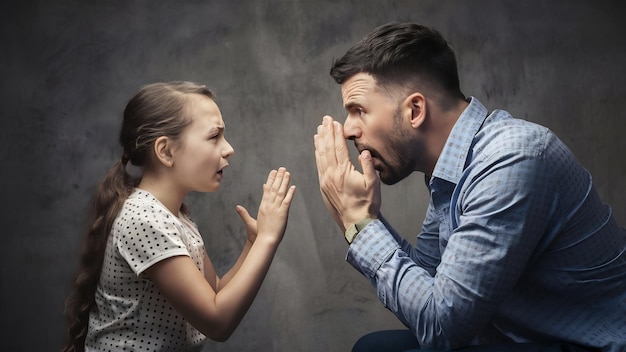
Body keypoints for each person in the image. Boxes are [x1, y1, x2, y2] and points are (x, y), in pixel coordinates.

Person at [314, 22, 626, 352]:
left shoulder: (511, 160)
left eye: (358, 110)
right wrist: (363, 219)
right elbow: (431, 285)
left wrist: (359, 225)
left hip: (584, 344)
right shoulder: (451, 167)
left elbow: (441, 328)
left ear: (415, 110)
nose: (347, 129)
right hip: (516, 334)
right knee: (373, 347)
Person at [62, 81, 296, 352]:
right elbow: (218, 321)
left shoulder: (174, 217)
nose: (228, 148)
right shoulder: (143, 219)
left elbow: (215, 293)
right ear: (166, 151)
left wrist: (253, 244)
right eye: (214, 136)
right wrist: (268, 239)